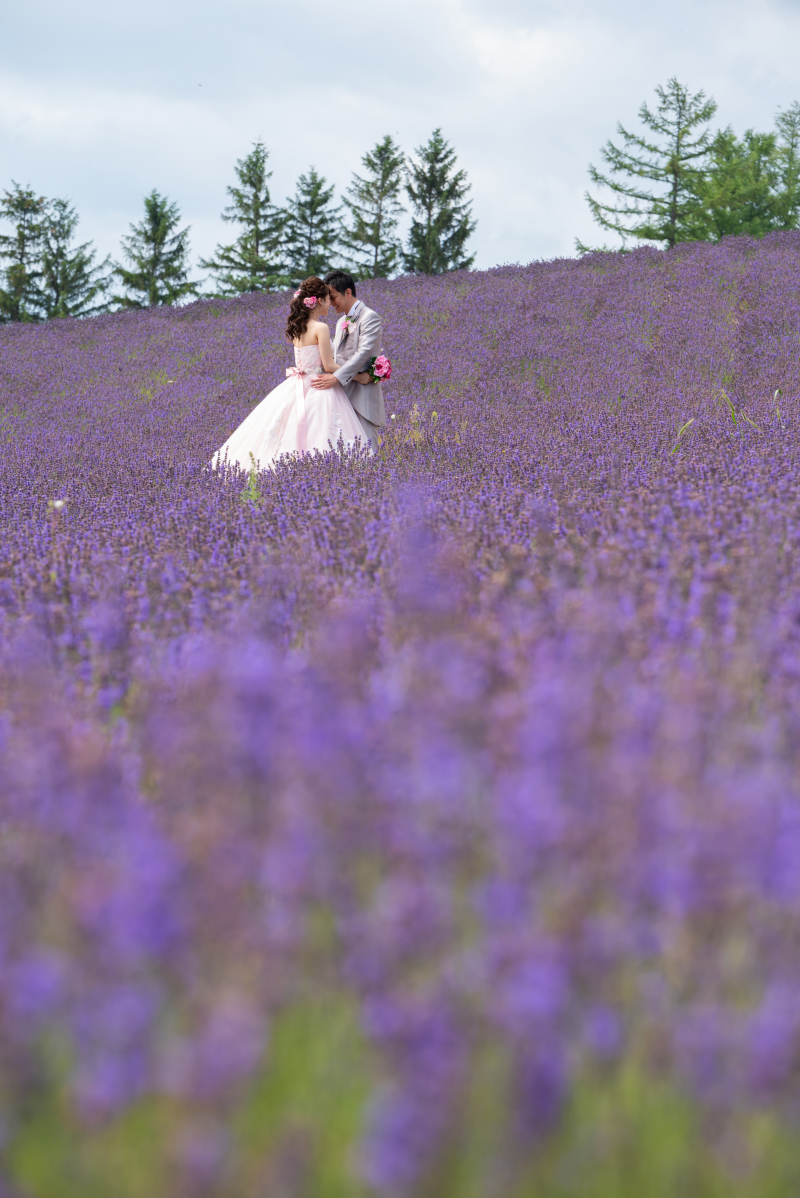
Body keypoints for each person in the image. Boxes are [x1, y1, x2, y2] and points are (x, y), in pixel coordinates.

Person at [211, 277, 370, 472]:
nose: (331, 303)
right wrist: (357, 375)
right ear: (319, 301)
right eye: (328, 298)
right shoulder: (321, 328)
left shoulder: (298, 328)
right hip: (318, 386)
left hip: (297, 385)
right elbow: (328, 366)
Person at [310, 270, 386, 450]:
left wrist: (335, 377)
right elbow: (337, 357)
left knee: (368, 454)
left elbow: (363, 353)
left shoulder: (369, 317)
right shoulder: (340, 321)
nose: (330, 302)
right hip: (341, 398)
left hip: (363, 399)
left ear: (348, 292)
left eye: (333, 297)